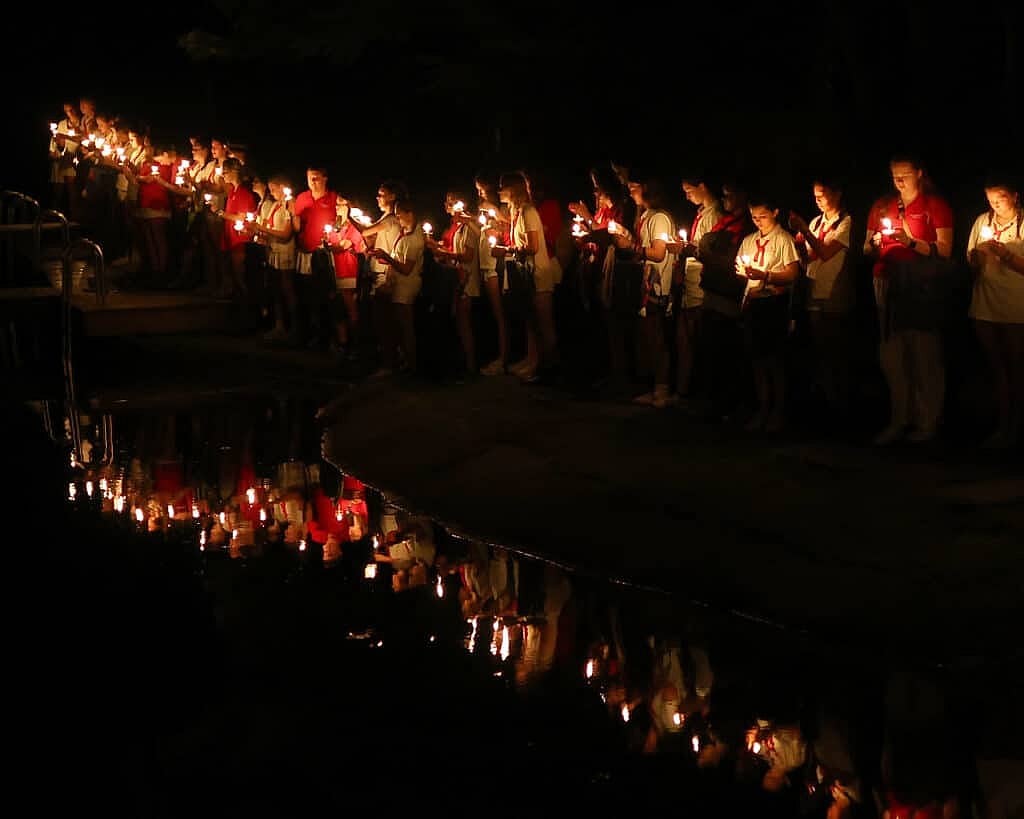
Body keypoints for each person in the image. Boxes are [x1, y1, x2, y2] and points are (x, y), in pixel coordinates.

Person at [863, 154, 954, 445]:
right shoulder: (881, 206)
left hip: (919, 285)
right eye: (894, 176)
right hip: (887, 282)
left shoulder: (934, 205)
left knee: (923, 351)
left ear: (919, 173)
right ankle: (899, 419)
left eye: (904, 174)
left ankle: (928, 421)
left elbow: (945, 250)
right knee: (892, 354)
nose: (899, 181)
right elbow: (866, 247)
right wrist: (875, 244)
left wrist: (910, 241)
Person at [788, 177, 856, 424]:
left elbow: (827, 253)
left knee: (835, 350)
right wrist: (799, 244)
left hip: (835, 292)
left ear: (837, 194)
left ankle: (841, 408)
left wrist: (805, 230)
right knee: (819, 350)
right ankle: (824, 406)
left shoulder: (846, 222)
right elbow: (810, 256)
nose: (818, 200)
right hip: (813, 290)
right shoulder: (817, 222)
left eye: (823, 194)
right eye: (815, 195)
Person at [735, 194, 801, 432]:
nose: (758, 221)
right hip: (753, 303)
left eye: (763, 216)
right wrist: (745, 273)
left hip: (774, 303)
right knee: (757, 360)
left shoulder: (783, 239)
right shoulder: (749, 240)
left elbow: (793, 274)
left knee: (774, 360)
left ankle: (778, 411)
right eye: (754, 217)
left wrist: (766, 276)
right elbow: (741, 272)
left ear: (775, 213)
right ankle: (762, 408)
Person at [966, 177, 1024, 448]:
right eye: (990, 200)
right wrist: (978, 257)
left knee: (1017, 367)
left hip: (1015, 306)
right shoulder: (983, 222)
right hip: (985, 303)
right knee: (996, 367)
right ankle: (1002, 426)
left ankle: (1016, 428)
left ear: (1014, 196)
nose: (995, 205)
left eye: (1000, 199)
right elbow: (971, 261)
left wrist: (1007, 255)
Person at [610, 173, 676, 408]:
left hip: (658, 286)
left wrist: (632, 246)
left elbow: (658, 253)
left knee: (657, 336)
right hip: (646, 283)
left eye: (634, 187)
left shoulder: (659, 218)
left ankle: (663, 388)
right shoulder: (647, 216)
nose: (630, 191)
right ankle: (653, 385)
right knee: (648, 336)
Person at [494, 172, 559, 382]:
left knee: (544, 323)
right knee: (532, 321)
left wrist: (506, 250)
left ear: (513, 190)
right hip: (528, 275)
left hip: (538, 273)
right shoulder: (518, 212)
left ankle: (549, 368)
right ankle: (534, 362)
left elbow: (533, 246)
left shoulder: (529, 212)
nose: (499, 192)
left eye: (502, 187)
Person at [667, 171, 725, 406]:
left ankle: (692, 393)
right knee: (685, 338)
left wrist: (687, 249)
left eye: (689, 191)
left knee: (695, 338)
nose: (687, 197)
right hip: (689, 283)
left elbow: (712, 253)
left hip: (701, 286)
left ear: (702, 185)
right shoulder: (702, 213)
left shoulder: (715, 215)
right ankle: (684, 389)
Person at [367, 199, 424, 375]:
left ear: (410, 214)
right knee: (400, 324)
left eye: (400, 215)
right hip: (398, 284)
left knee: (406, 326)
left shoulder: (415, 239)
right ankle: (404, 361)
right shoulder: (406, 233)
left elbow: (407, 269)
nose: (397, 219)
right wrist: (384, 257)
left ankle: (411, 366)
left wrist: (387, 257)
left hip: (406, 287)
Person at [427, 190, 480, 378]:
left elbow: (467, 255)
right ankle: (463, 364)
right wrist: (437, 247)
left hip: (467, 279)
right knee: (459, 322)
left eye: (454, 202)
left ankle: (471, 367)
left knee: (464, 323)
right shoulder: (457, 228)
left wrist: (444, 254)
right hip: (456, 277)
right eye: (448, 202)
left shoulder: (469, 227)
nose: (450, 205)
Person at [291, 165, 339, 348]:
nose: (312, 181)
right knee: (306, 294)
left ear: (325, 178)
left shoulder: (334, 198)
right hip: (305, 253)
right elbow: (296, 227)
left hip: (324, 255)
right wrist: (293, 215)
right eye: (310, 177)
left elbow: (340, 222)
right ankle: (308, 334)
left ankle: (328, 337)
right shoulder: (302, 198)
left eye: (316, 177)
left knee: (325, 295)